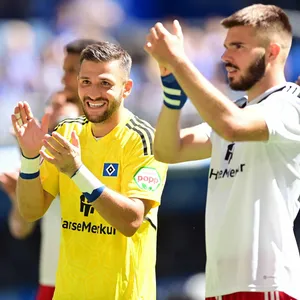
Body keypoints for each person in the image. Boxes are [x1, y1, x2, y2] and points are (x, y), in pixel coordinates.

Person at [145, 4, 300, 300]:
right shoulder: (239, 108)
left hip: (267, 284)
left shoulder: (292, 104)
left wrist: (179, 61)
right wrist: (172, 94)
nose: (225, 57)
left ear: (273, 52)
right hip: (219, 286)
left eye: (238, 46)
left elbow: (231, 126)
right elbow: (167, 150)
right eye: (226, 46)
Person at [12, 41, 168, 299]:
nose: (93, 93)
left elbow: (131, 221)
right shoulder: (66, 131)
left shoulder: (141, 139)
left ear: (126, 88)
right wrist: (30, 158)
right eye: (86, 82)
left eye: (105, 83)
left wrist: (77, 172)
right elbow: (30, 211)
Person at [1, 38, 100, 300]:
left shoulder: (115, 140)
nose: (63, 79)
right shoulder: (42, 149)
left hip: (98, 283)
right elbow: (20, 228)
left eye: (72, 71)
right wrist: (18, 197)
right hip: (52, 283)